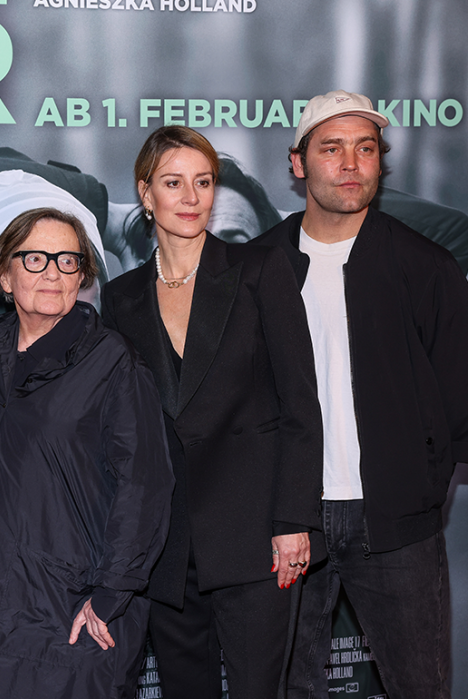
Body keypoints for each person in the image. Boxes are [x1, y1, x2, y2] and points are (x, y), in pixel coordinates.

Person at [255, 89, 468, 699]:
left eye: (365, 148)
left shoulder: (425, 266)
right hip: (290, 525)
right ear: (298, 163)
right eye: (331, 148)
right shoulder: (256, 265)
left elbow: (458, 392)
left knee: (420, 687)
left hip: (398, 524)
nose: (350, 164)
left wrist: (421, 485)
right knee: (283, 689)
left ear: (381, 162)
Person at [101, 125, 324, 699]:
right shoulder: (121, 297)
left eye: (203, 182)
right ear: (146, 194)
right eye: (174, 183)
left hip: (255, 538)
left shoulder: (260, 271)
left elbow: (301, 403)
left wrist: (292, 521)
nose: (191, 197)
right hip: (167, 548)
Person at [0, 207, 174, 699]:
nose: (53, 272)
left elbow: (146, 485)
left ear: (83, 275)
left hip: (67, 611)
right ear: (3, 277)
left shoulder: (114, 363)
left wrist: (109, 595)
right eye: (34, 259)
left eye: (67, 260)